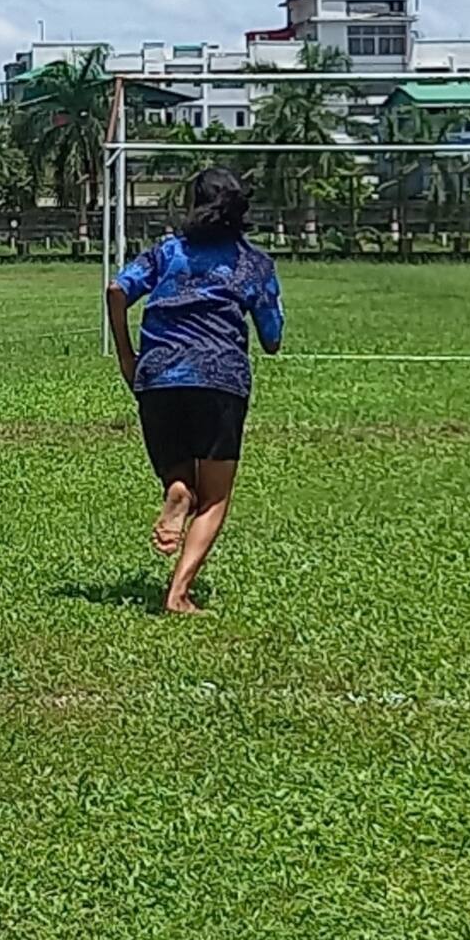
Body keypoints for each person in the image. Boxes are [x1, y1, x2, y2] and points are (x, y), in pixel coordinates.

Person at [106, 167, 283, 614]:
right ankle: (178, 593)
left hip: (158, 378)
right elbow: (272, 339)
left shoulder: (168, 251)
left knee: (181, 476)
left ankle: (178, 490)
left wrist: (127, 356)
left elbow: (116, 289)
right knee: (216, 497)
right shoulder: (252, 263)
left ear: (193, 205)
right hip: (219, 379)